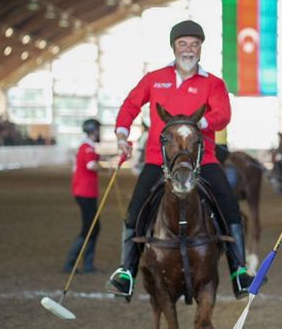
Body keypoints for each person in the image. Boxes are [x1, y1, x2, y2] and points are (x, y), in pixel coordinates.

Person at [105, 20, 254, 300]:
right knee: (135, 211)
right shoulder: (154, 78)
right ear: (174, 47)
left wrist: (198, 124)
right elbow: (130, 105)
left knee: (229, 208)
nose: (189, 49)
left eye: (194, 44)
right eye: (183, 44)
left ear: (201, 48)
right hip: (158, 161)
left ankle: (239, 270)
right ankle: (126, 271)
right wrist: (122, 133)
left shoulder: (213, 82)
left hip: (203, 160)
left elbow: (223, 114)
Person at [63, 119, 104, 274]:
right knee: (90, 228)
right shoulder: (87, 148)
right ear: (94, 131)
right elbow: (91, 165)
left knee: (93, 227)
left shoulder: (88, 147)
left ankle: (87, 263)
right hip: (85, 192)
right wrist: (105, 169)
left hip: (86, 192)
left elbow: (95, 158)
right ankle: (72, 262)